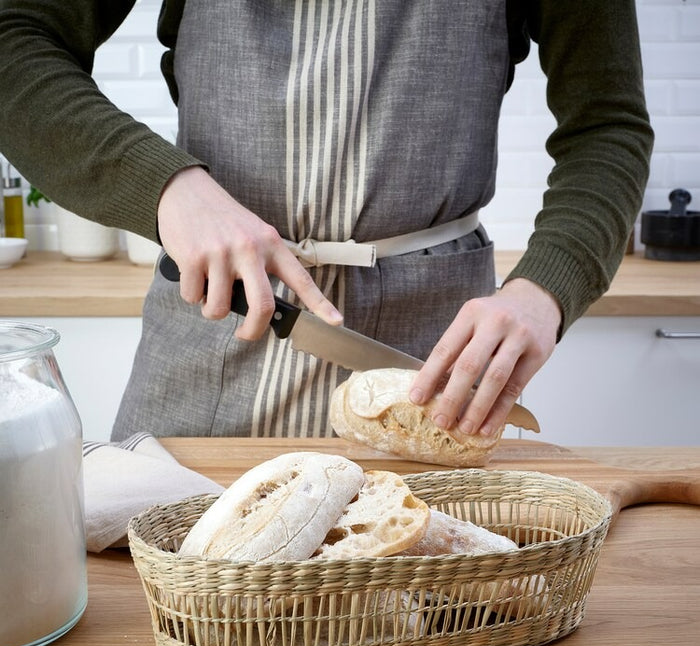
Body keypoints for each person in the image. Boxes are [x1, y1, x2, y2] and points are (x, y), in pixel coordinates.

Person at [0, 1, 653, 441]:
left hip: (427, 371)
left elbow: (608, 126)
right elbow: (12, 42)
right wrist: (169, 189)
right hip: (210, 341)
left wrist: (544, 289)